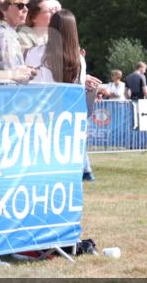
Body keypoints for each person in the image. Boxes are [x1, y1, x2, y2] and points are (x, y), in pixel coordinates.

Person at [29, 10, 101, 181]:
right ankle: (83, 171)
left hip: (42, 111)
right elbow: (78, 89)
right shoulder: (78, 60)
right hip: (68, 114)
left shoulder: (35, 53)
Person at [0, 0, 30, 72]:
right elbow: (10, 73)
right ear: (3, 8)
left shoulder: (5, 33)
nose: (26, 9)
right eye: (20, 5)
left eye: (27, 5)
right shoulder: (5, 35)